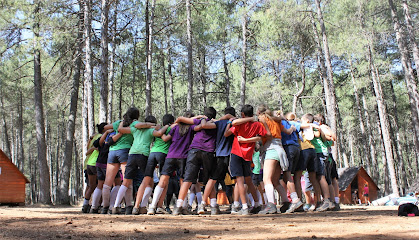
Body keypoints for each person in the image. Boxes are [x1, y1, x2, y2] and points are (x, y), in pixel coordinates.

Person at [147, 111, 200, 215]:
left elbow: (166, 139)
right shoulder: (191, 129)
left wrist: (159, 132)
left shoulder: (175, 128)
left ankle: (152, 207)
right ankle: (183, 207)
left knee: (162, 181)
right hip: (183, 157)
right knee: (182, 182)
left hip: (170, 156)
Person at [172, 107, 220, 215]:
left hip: (194, 150)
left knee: (187, 179)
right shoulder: (217, 124)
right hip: (209, 151)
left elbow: (180, 119)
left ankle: (178, 206)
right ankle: (213, 206)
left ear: (204, 115)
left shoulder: (200, 121)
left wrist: (198, 117)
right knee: (209, 179)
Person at [254, 105, 301, 214]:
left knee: (266, 179)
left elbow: (268, 135)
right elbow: (288, 131)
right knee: (275, 180)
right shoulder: (276, 121)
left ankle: (271, 204)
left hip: (271, 150)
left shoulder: (263, 122)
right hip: (280, 149)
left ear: (259, 113)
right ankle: (286, 202)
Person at [112, 115, 162, 214]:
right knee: (149, 182)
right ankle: (142, 206)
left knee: (126, 181)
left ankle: (116, 206)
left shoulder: (135, 129)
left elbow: (121, 130)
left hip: (132, 154)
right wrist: (159, 126)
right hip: (143, 155)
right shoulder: (150, 131)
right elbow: (159, 133)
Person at [223, 104, 266, 215]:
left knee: (240, 181)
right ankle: (256, 204)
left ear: (242, 114)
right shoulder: (257, 124)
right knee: (249, 180)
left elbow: (226, 134)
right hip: (248, 155)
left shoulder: (239, 124)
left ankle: (245, 207)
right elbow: (262, 137)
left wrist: (228, 123)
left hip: (237, 153)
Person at [131, 114, 175, 215]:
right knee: (164, 181)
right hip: (163, 154)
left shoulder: (154, 129)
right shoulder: (169, 129)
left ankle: (136, 206)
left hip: (152, 153)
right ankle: (159, 206)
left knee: (146, 180)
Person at [195, 107, 236, 215]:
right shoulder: (234, 122)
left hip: (217, 155)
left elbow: (204, 125)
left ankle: (203, 204)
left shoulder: (218, 123)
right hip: (229, 155)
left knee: (212, 179)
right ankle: (237, 204)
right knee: (238, 180)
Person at [100, 107, 140, 214]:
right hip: (125, 152)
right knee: (127, 181)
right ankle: (128, 207)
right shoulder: (135, 124)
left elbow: (104, 127)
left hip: (112, 152)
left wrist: (112, 129)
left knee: (107, 182)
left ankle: (105, 207)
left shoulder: (119, 123)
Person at [89, 128, 123, 213]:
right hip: (108, 164)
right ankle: (110, 206)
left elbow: (97, 143)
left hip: (99, 163)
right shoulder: (115, 139)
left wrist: (106, 132)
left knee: (100, 185)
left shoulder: (102, 140)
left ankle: (94, 207)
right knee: (117, 183)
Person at [82, 123, 105, 213]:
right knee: (99, 186)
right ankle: (97, 206)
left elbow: (88, 149)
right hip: (96, 163)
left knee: (91, 186)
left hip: (89, 163)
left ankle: (85, 204)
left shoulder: (94, 137)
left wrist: (91, 138)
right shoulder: (101, 137)